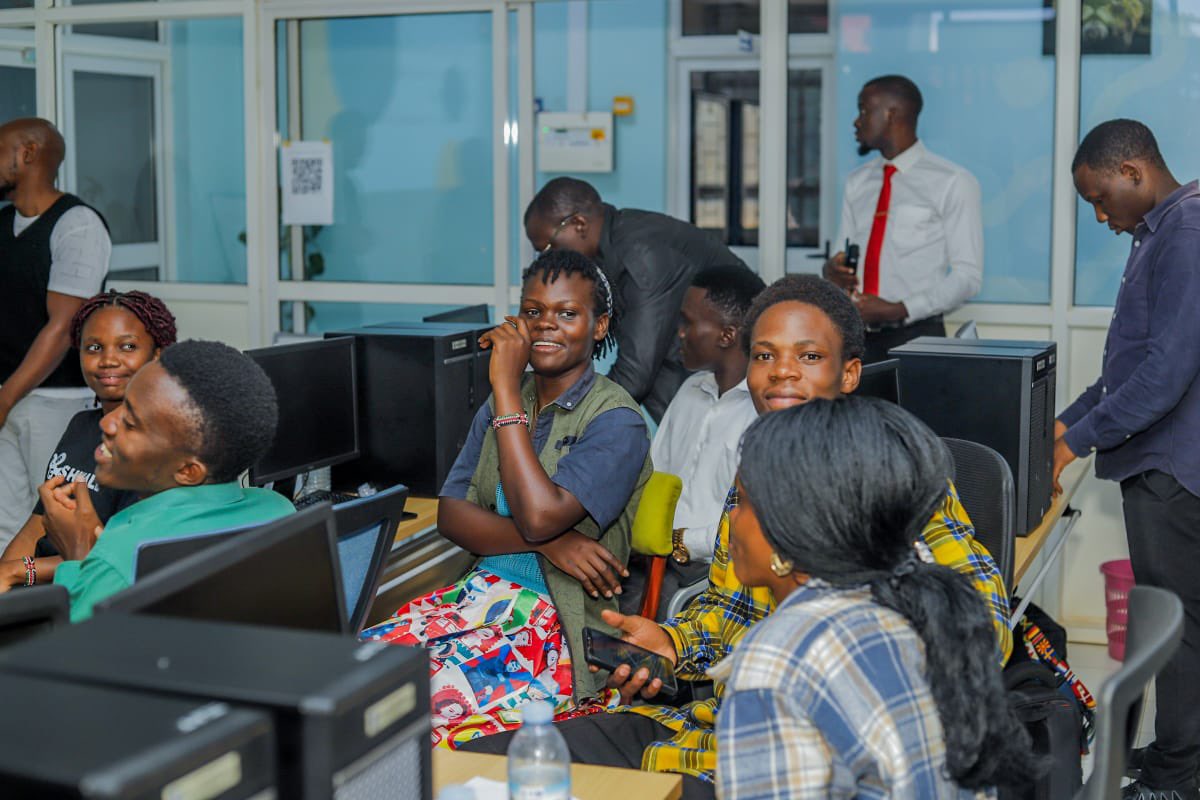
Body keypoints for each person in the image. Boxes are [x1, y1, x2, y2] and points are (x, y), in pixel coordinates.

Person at [460, 275, 1010, 799]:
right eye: (765, 355)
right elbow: (728, 607)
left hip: (759, 763)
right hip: (696, 727)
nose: (781, 373)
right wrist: (672, 643)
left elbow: (982, 628)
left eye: (809, 356)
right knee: (479, 763)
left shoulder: (894, 480)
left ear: (849, 375)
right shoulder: (755, 472)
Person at [360, 249, 652, 747]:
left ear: (599, 326)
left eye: (567, 313)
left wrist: (505, 390)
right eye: (533, 311)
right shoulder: (505, 402)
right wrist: (548, 546)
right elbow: (452, 515)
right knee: (354, 675)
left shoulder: (616, 420)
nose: (546, 326)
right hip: (478, 602)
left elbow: (540, 515)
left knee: (404, 716)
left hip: (553, 628)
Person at [716, 397, 1035, 798]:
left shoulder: (780, 656)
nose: (732, 518)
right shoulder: (912, 603)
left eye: (743, 503)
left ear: (794, 528)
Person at [1054, 119, 1200, 800]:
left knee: (1177, 628)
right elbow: (1127, 367)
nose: (1100, 215)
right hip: (1160, 462)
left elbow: (1166, 373)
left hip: (1173, 468)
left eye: (1100, 197)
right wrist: (1062, 424)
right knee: (1173, 623)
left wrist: (1079, 440)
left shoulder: (1187, 232)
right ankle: (1177, 752)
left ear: (1135, 171)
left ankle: (1179, 775)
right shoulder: (1160, 232)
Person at [41, 340, 294, 622]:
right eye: (124, 405)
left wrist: (77, 553)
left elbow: (68, 651)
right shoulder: (279, 510)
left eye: (131, 424)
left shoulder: (123, 556)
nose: (107, 423)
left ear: (188, 471)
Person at [524, 177, 748, 422]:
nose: (547, 259)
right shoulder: (613, 246)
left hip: (737, 368)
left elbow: (635, 374)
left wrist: (567, 418)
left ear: (579, 224)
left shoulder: (640, 257)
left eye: (547, 247)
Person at [0, 290, 177, 590]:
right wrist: (6, 577)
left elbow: (116, 556)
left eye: (128, 346)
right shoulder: (81, 426)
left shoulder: (152, 451)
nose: (108, 360)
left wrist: (20, 572)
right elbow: (37, 525)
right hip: (40, 587)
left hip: (88, 592)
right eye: (94, 347)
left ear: (157, 354)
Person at [0, 117, 113, 549]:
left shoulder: (77, 224)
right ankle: (13, 603)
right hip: (8, 395)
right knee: (7, 522)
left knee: (50, 523)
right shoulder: (5, 222)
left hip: (54, 401)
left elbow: (64, 326)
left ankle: (55, 606)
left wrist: (7, 397)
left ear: (28, 153)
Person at [822, 75, 982, 363]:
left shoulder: (952, 181)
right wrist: (831, 270)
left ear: (891, 113)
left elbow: (967, 277)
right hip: (855, 338)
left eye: (863, 110)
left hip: (918, 336)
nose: (856, 122)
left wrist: (900, 309)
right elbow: (839, 255)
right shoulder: (857, 182)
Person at [641, 264, 764, 608]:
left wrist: (680, 541)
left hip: (717, 576)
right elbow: (653, 475)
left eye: (688, 322)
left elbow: (752, 529)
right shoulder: (690, 390)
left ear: (726, 335)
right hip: (657, 561)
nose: (679, 333)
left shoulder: (762, 412)